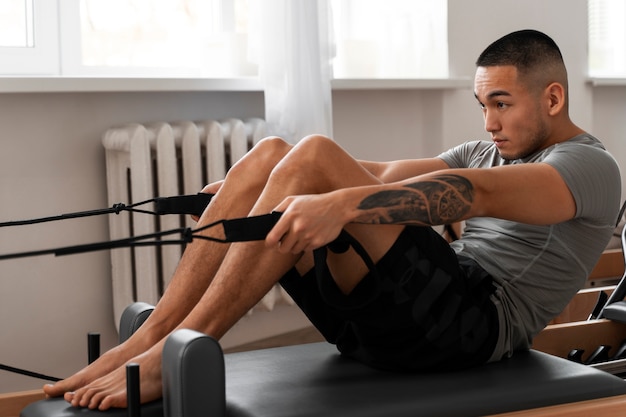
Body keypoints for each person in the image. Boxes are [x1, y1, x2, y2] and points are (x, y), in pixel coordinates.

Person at [44, 29, 621, 410]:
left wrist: (337, 201)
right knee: (273, 153)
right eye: (483, 106)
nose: (490, 122)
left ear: (551, 99)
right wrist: (251, 187)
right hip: (396, 325)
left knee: (316, 156)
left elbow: (472, 194)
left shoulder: (589, 166)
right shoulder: (484, 148)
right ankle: (153, 340)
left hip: (472, 331)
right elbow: (382, 170)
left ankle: (176, 357)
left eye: (502, 103)